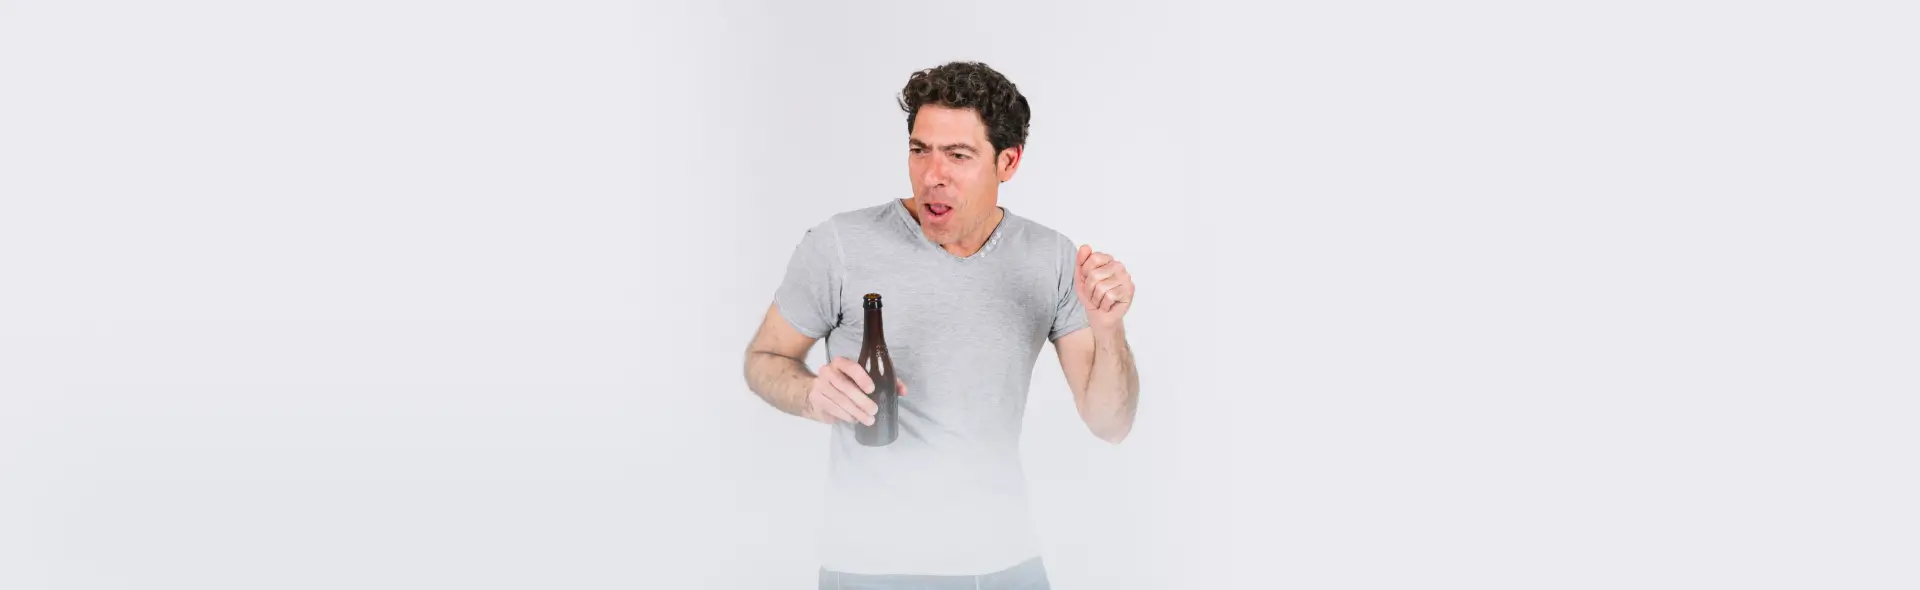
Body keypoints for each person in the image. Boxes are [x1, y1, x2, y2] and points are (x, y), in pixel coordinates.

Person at [741, 61, 1141, 590]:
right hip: (869, 568)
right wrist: (812, 395)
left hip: (1005, 565)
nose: (933, 174)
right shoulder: (839, 245)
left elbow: (1110, 424)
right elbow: (764, 359)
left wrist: (1109, 328)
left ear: (1008, 161)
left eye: (958, 155)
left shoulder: (1050, 258)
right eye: (919, 150)